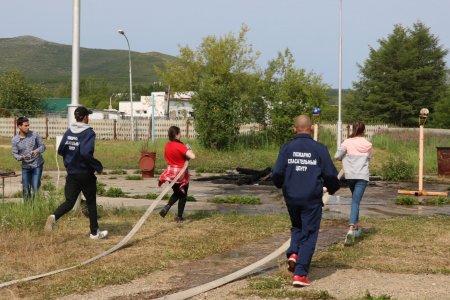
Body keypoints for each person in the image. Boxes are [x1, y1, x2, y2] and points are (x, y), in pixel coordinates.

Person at [272, 115, 340, 287]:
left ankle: (294, 253)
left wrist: (281, 185)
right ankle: (300, 274)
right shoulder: (319, 149)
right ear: (310, 128)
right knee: (309, 233)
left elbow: (277, 173)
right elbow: (331, 175)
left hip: (292, 197)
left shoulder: (287, 148)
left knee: (297, 226)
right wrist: (332, 188)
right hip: (311, 198)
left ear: (295, 129)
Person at [44, 106, 108, 239]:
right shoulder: (88, 132)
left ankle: (54, 216)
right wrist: (97, 166)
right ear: (85, 117)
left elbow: (61, 150)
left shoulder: (69, 132)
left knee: (70, 201)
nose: (88, 118)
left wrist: (70, 160)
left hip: (72, 173)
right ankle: (94, 233)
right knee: (91, 202)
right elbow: (85, 152)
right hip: (85, 173)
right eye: (88, 116)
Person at [334, 120, 372, 246]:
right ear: (364, 131)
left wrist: (344, 156)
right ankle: (351, 229)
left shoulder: (347, 142)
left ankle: (355, 228)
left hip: (350, 176)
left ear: (353, 130)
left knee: (355, 201)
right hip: (362, 177)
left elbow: (337, 156)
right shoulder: (368, 144)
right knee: (356, 201)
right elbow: (368, 158)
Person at [158, 126, 196, 222]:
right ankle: (179, 217)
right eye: (179, 133)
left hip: (171, 173)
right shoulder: (180, 146)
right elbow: (193, 156)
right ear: (176, 135)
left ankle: (167, 207)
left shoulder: (167, 145)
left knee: (176, 192)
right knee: (183, 195)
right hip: (181, 174)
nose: (181, 135)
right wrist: (189, 149)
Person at [11, 117, 46, 202]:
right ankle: (28, 207)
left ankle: (36, 206)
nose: (28, 127)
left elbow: (43, 146)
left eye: (28, 125)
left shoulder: (34, 134)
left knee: (35, 187)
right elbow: (15, 154)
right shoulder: (15, 140)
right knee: (26, 189)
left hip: (37, 165)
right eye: (25, 125)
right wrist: (21, 157)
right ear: (19, 126)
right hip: (25, 167)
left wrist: (37, 151)